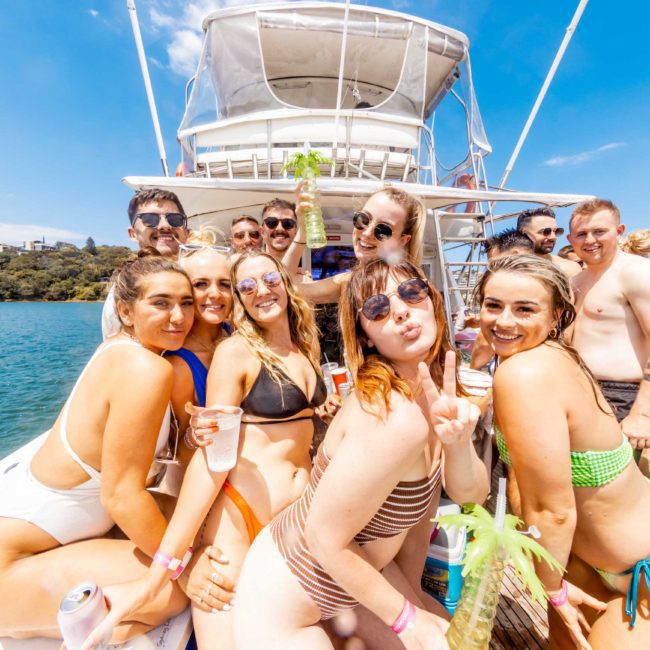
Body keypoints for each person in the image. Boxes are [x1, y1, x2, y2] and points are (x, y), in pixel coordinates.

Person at [232, 259, 488, 649]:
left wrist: (458, 446)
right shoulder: (393, 416)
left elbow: (470, 497)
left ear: (433, 302)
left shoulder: (436, 399)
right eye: (377, 309)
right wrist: (409, 620)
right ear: (366, 336)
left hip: (357, 578)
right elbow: (323, 536)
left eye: (411, 293)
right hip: (286, 599)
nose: (400, 309)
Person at [81, 251, 326, 650]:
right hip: (239, 517)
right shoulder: (232, 353)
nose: (259, 290)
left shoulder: (301, 346)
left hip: (296, 517)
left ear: (285, 280)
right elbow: (213, 457)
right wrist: (166, 569)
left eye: (267, 279)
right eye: (246, 285)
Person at [0, 253, 194, 640]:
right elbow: (121, 497)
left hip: (34, 538)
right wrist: (186, 567)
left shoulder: (119, 351)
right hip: (13, 566)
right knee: (175, 590)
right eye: (160, 303)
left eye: (186, 303)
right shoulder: (145, 368)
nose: (178, 317)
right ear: (125, 310)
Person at [477, 254, 650, 648]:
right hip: (582, 563)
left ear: (557, 314)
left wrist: (551, 590)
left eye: (524, 309)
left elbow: (552, 511)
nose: (504, 321)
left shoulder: (524, 373)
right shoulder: (550, 357)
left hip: (634, 577)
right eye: (493, 305)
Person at [568, 199, 650, 451]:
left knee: (618, 486)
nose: (590, 240)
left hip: (623, 396)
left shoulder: (635, 272)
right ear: (571, 240)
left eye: (599, 231)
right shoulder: (576, 280)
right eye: (582, 234)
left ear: (619, 230)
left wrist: (643, 414)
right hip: (580, 391)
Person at [166, 230, 233, 470]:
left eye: (224, 284)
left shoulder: (238, 336)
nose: (215, 293)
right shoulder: (179, 365)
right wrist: (195, 436)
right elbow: (182, 454)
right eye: (201, 284)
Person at [294, 186, 425, 304]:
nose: (367, 233)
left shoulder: (408, 288)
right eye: (363, 219)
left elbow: (286, 291)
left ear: (402, 241)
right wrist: (302, 230)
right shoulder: (354, 280)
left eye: (383, 230)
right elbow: (287, 291)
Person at [102, 189, 190, 339]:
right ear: (133, 234)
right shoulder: (124, 292)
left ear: (186, 232)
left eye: (175, 219)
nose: (165, 225)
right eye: (150, 219)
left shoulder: (204, 279)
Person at [517, 207, 581, 277]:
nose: (553, 237)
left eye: (556, 231)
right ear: (523, 233)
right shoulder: (510, 270)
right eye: (546, 231)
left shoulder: (568, 268)